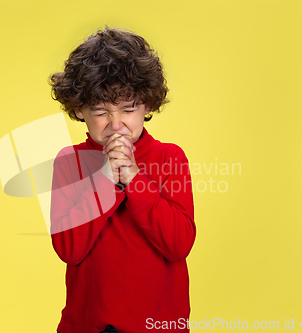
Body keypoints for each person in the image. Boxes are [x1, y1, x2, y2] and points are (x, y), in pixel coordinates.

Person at [48, 26, 196, 333]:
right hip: (86, 325)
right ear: (79, 110)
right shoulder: (69, 161)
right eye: (101, 111)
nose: (116, 124)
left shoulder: (170, 158)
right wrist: (106, 179)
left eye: (128, 109)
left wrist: (133, 179)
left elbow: (179, 244)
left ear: (147, 105)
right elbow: (69, 249)